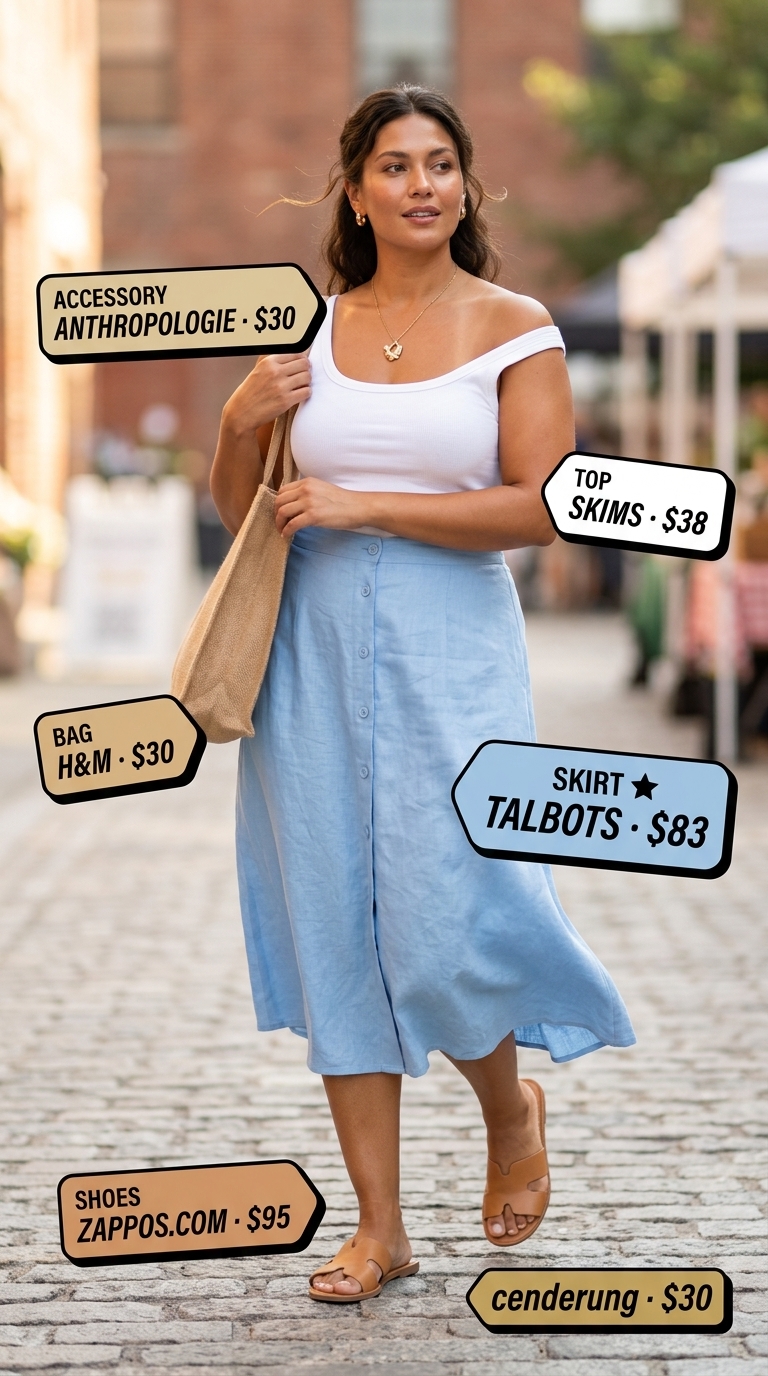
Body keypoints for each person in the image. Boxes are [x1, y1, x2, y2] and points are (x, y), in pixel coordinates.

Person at [210, 85, 635, 1303]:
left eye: (440, 164)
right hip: (313, 654)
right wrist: (243, 420)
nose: (419, 185)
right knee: (339, 917)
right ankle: (379, 1226)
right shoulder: (313, 332)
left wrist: (368, 504)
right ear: (355, 193)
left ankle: (510, 1105)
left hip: (456, 653)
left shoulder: (518, 326)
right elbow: (239, 505)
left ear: (466, 186)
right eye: (393, 166)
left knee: (457, 912)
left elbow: (543, 504)